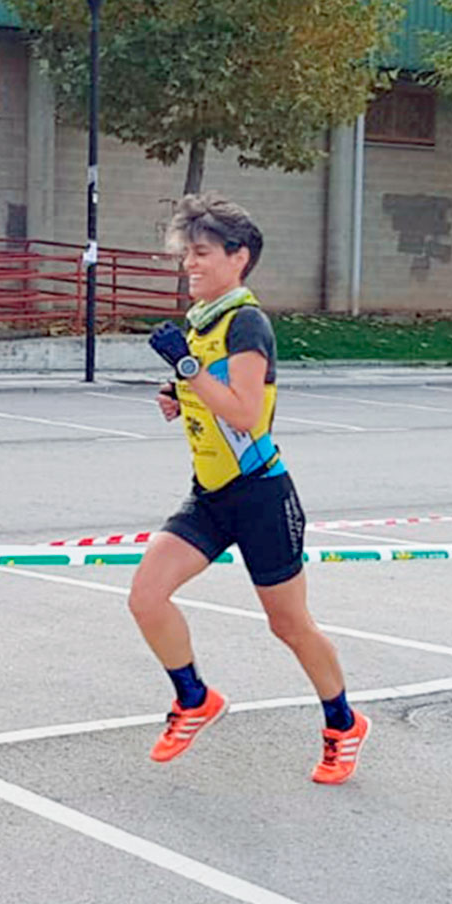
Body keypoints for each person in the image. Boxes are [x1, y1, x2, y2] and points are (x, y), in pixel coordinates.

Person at [128, 193, 367, 784]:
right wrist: (176, 393)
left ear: (239, 258)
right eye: (187, 254)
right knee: (146, 597)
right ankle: (194, 699)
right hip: (210, 496)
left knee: (289, 625)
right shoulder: (203, 321)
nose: (190, 264)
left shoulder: (246, 322)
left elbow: (244, 414)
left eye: (202, 253)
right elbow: (211, 393)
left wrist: (187, 370)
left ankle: (343, 724)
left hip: (261, 497)